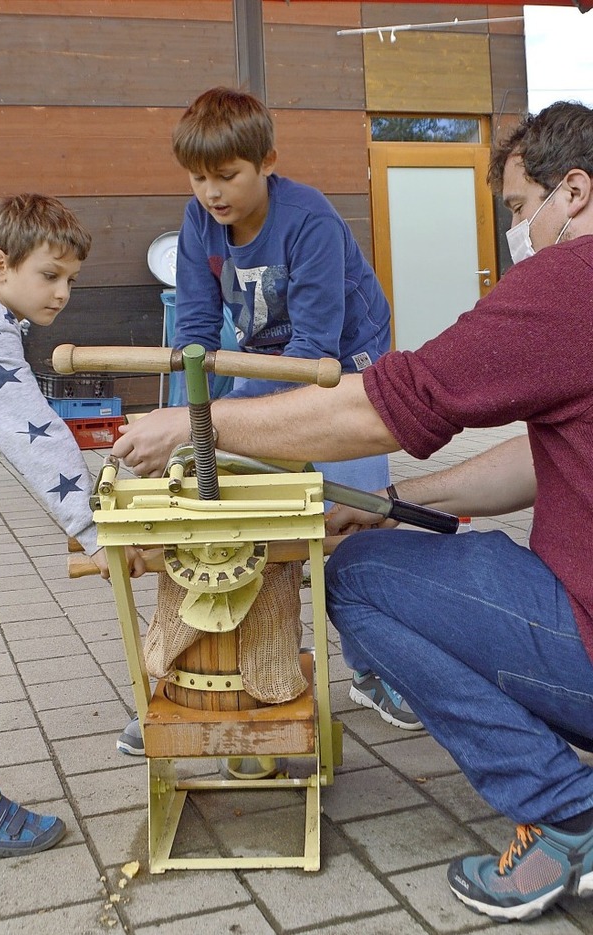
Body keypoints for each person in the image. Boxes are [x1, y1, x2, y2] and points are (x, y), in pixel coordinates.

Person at [112, 99, 593, 921]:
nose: (519, 233)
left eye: (519, 210)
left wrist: (202, 426)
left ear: (573, 193)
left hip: (344, 381)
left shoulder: (572, 279)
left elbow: (374, 400)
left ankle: (569, 810)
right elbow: (544, 459)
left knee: (360, 577)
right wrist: (396, 499)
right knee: (381, 536)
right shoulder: (201, 231)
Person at [116, 85, 418, 757]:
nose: (212, 193)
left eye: (227, 176)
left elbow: (314, 356)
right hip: (270, 359)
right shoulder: (198, 225)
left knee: (359, 520)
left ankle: (378, 669)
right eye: (198, 178)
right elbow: (195, 335)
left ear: (267, 162)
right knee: (225, 509)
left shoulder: (309, 220)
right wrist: (189, 420)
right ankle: (186, 686)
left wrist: (228, 419)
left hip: (346, 361)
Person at [0, 193, 145, 859]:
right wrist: (99, 533)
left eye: (71, 279)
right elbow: (38, 440)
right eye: (50, 274)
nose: (62, 292)